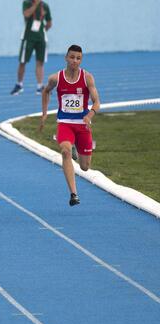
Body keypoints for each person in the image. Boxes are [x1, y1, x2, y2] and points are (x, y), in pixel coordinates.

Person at [39, 45, 100, 207]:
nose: (75, 61)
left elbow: (97, 102)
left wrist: (89, 115)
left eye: (78, 58)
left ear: (81, 60)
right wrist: (44, 113)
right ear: (66, 58)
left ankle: (76, 149)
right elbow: (46, 92)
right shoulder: (56, 78)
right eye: (72, 57)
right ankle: (74, 194)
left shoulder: (87, 78)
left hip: (83, 125)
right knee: (65, 151)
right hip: (65, 123)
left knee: (85, 167)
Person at [11, 0, 53, 96]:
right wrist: (36, 3)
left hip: (41, 39)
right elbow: (26, 14)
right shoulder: (26, 3)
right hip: (28, 38)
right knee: (22, 61)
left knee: (40, 63)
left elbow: (49, 22)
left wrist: (42, 30)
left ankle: (40, 86)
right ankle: (19, 84)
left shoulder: (45, 6)